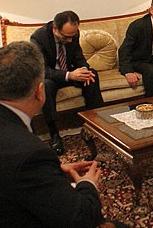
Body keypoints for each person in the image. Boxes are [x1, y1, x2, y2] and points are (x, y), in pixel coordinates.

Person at [0, 41, 140, 228]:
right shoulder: (30, 153)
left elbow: (11, 172)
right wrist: (88, 184)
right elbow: (80, 220)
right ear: (40, 91)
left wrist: (54, 171)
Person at [31, 10, 104, 155]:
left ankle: (95, 124)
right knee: (46, 85)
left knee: (92, 75)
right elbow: (42, 70)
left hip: (69, 72)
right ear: (55, 29)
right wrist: (70, 75)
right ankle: (54, 134)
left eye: (73, 36)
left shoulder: (73, 34)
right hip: (51, 76)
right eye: (66, 37)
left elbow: (78, 57)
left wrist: (84, 69)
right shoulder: (39, 37)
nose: (70, 40)